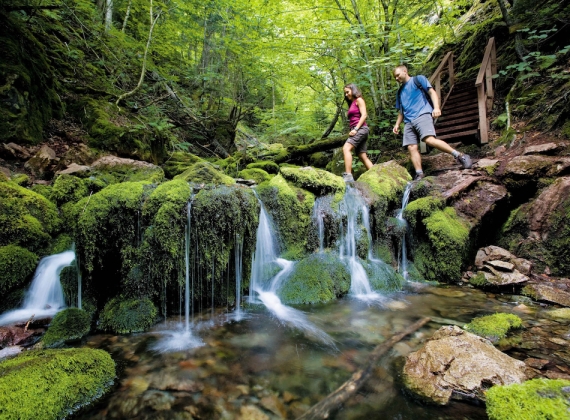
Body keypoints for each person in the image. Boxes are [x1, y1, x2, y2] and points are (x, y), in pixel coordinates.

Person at [392, 65, 472, 181]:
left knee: (429, 140)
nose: (396, 78)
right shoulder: (399, 92)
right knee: (411, 147)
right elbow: (401, 111)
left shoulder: (418, 80)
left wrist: (436, 108)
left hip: (422, 114)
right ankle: (419, 174)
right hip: (408, 121)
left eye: (398, 75)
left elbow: (432, 92)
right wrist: (397, 124)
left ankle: (460, 156)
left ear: (405, 71)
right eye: (395, 77)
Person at [342, 83, 373, 182]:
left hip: (361, 129)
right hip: (358, 129)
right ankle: (376, 174)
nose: (346, 94)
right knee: (362, 155)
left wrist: (355, 129)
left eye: (347, 92)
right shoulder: (352, 104)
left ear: (353, 90)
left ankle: (348, 176)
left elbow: (364, 115)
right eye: (345, 93)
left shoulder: (359, 100)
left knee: (346, 148)